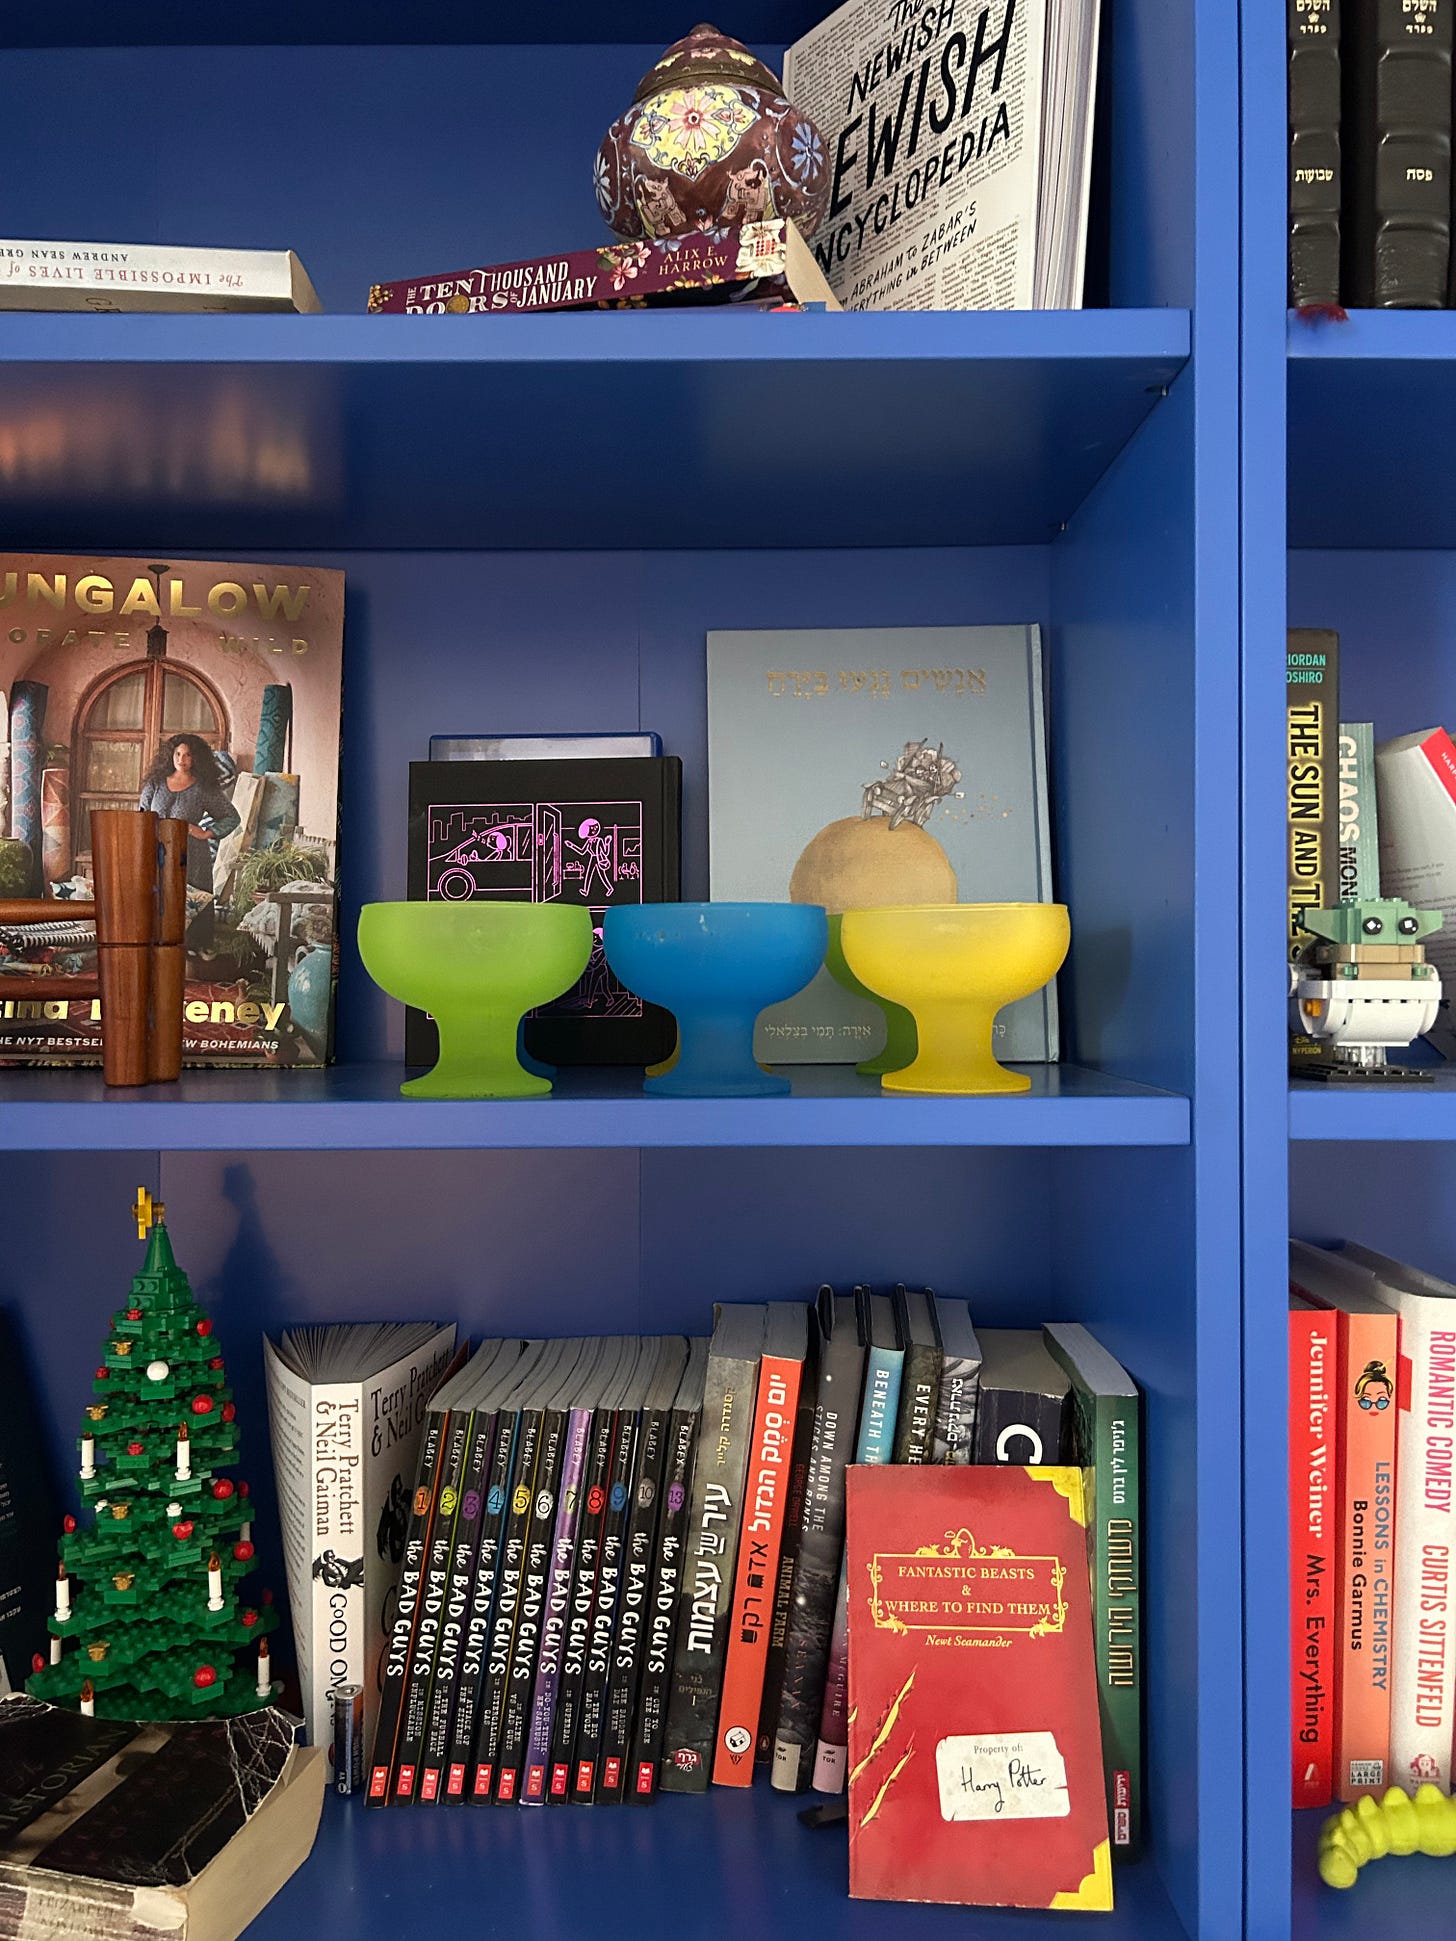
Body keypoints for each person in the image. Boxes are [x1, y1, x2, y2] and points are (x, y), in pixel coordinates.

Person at [136, 734, 240, 893]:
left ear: (196, 758)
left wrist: (206, 833)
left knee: (190, 907)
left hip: (192, 857)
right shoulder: (155, 783)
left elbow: (232, 817)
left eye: (187, 755)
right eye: (177, 754)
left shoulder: (203, 788)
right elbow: (142, 818)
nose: (181, 759)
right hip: (157, 853)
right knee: (156, 906)